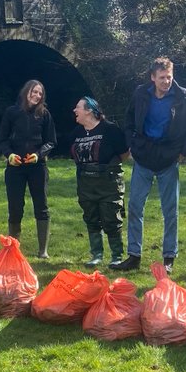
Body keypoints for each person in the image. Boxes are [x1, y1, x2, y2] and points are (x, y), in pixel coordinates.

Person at [117, 56, 186, 272]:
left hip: (169, 158)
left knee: (170, 210)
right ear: (152, 78)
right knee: (135, 206)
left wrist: (184, 151)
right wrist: (132, 143)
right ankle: (133, 255)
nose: (166, 82)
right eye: (162, 78)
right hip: (144, 157)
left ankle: (169, 257)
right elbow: (128, 119)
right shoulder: (140, 94)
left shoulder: (184, 97)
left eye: (169, 77)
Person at [0, 79, 57, 258]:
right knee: (15, 207)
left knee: (42, 206)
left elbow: (51, 141)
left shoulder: (45, 114)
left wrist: (39, 154)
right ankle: (13, 249)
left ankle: (43, 251)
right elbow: (2, 139)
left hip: (37, 167)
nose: (37, 96)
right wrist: (9, 155)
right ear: (26, 92)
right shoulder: (11, 112)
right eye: (34, 91)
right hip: (15, 167)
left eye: (40, 93)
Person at [71, 97, 129, 268]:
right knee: (91, 218)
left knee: (111, 218)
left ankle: (116, 256)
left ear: (89, 110)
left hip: (109, 182)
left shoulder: (110, 130)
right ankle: (96, 254)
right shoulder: (77, 133)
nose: (75, 110)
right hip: (85, 183)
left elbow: (124, 154)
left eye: (78, 107)